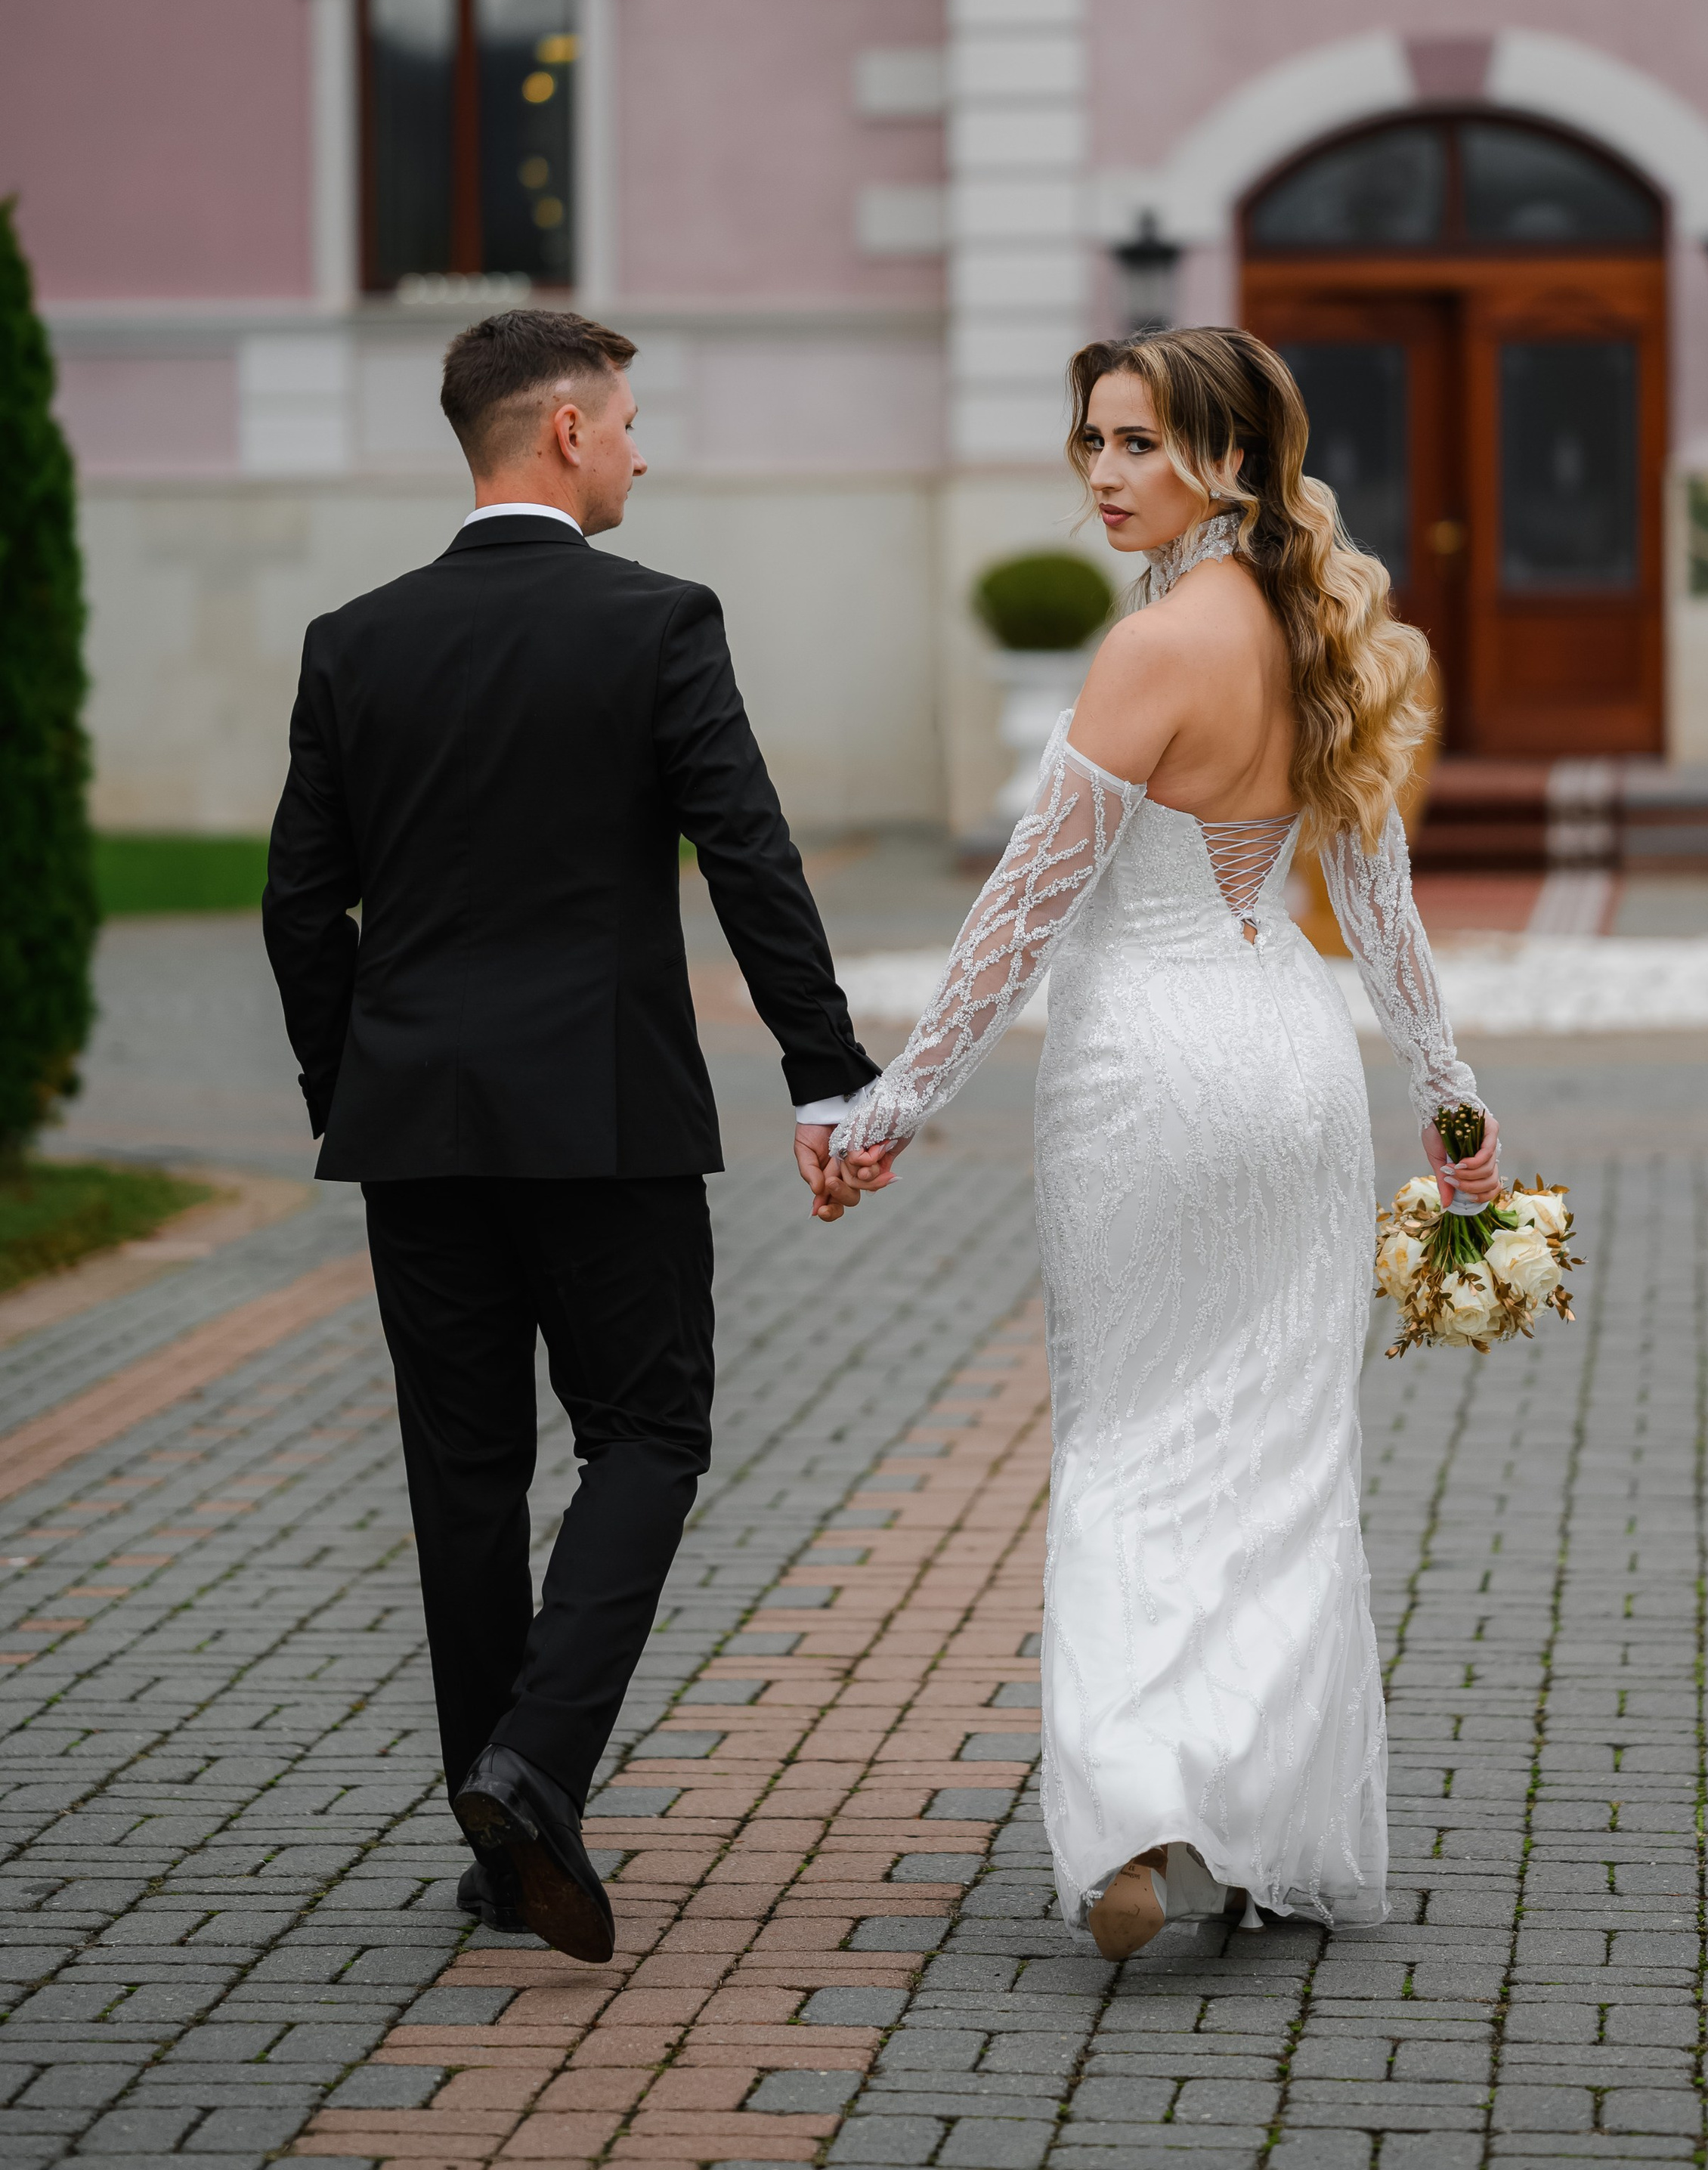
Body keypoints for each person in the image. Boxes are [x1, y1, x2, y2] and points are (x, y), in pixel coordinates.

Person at [822, 326, 1500, 1958]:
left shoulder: (1150, 650)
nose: (1105, 474)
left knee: (1133, 1442)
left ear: (1232, 460)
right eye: (1093, 440)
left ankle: (1139, 1811)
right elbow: (1383, 915)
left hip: (1146, 1074)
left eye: (1140, 443)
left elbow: (1019, 915)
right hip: (1293, 1067)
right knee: (1277, 1452)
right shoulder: (1318, 631)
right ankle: (1251, 1820)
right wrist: (1454, 1105)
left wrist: (885, 1107)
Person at [261, 307, 877, 1964]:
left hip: (416, 1124)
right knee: (649, 1431)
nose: (639, 454)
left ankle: (496, 1841)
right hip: (605, 1117)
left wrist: (354, 1093)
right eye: (627, 422)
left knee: (462, 1476)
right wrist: (826, 1076)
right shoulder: (657, 620)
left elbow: (300, 907)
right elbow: (748, 856)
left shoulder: (354, 640)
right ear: (563, 432)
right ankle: (533, 1768)